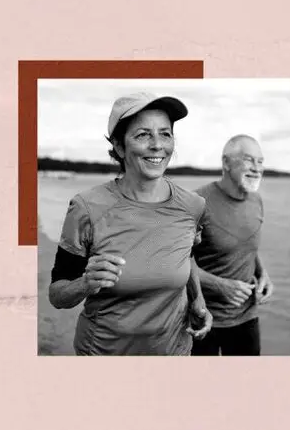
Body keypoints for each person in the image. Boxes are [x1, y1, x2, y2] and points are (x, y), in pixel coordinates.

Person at [48, 92, 213, 356]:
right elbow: (56, 295)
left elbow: (187, 255)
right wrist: (85, 284)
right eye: (143, 135)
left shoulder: (193, 205)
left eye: (165, 134)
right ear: (120, 147)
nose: (157, 145)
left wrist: (198, 301)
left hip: (175, 352)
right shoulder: (87, 207)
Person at [190, 134, 273, 356]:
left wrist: (263, 273)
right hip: (202, 319)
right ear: (226, 163)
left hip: (247, 318)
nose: (257, 168)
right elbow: (175, 262)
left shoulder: (256, 201)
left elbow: (247, 246)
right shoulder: (196, 203)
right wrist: (220, 285)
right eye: (249, 160)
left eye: (261, 161)